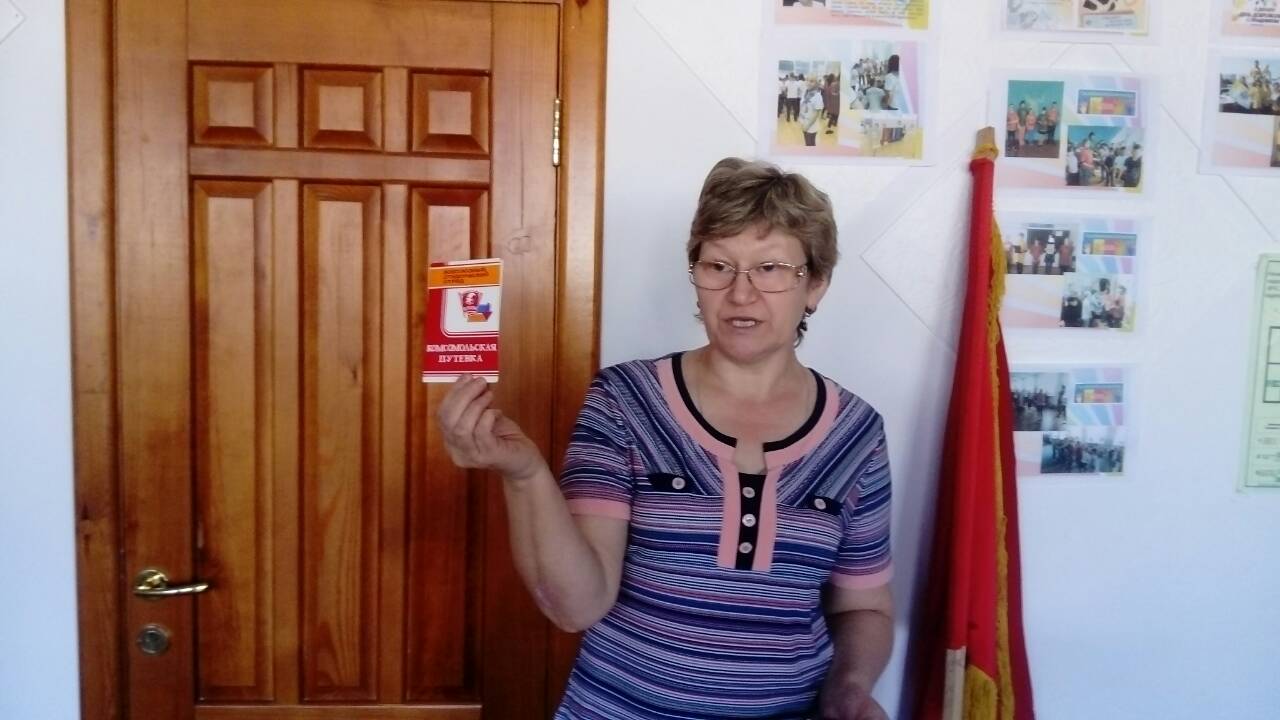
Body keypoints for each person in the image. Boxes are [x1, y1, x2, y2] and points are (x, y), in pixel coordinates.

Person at [438, 158, 895, 720]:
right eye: (718, 266)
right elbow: (576, 606)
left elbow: (865, 606)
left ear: (816, 285)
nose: (741, 293)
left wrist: (850, 688)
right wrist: (525, 474)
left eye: (770, 268)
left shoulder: (857, 433)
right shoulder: (624, 400)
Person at [800, 77, 827, 146]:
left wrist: (807, 126)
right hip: (804, 122)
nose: (808, 82)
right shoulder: (805, 92)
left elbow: (816, 114)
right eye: (807, 80)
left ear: (816, 83)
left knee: (810, 144)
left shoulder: (817, 96)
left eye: (812, 81)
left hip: (811, 126)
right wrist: (801, 121)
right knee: (807, 143)